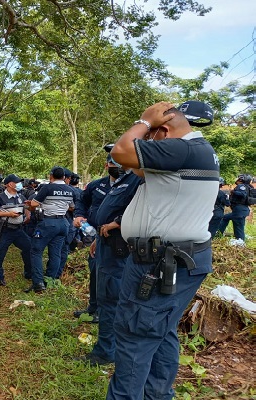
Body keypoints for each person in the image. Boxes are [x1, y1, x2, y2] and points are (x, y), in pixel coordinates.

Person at [106, 100, 218, 399]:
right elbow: (134, 166)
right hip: (176, 259)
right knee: (161, 331)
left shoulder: (182, 148)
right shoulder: (195, 152)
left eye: (150, 135)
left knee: (135, 336)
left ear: (164, 131)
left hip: (158, 262)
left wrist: (143, 120)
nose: (146, 141)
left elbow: (121, 152)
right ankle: (157, 395)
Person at [75, 166, 142, 366]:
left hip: (120, 249)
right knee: (106, 297)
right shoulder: (112, 182)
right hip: (107, 243)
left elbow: (145, 209)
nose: (114, 161)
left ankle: (106, 351)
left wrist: (117, 223)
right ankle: (108, 346)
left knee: (112, 299)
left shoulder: (139, 178)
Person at [72, 148, 120, 322]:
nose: (118, 167)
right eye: (114, 163)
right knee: (95, 272)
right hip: (96, 237)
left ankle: (104, 311)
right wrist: (78, 215)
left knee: (109, 278)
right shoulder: (97, 185)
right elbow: (82, 201)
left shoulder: (128, 186)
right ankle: (93, 307)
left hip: (118, 239)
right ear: (107, 165)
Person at [25, 166, 74, 293]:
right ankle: (50, 281)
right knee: (56, 253)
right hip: (63, 223)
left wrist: (42, 204)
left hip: (48, 222)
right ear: (64, 177)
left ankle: (38, 283)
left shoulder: (48, 187)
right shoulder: (70, 189)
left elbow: (34, 204)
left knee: (36, 251)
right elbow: (72, 207)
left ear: (51, 176)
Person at [0, 174, 32, 286]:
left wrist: (28, 213)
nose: (19, 184)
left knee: (29, 248)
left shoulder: (21, 197)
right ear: (10, 184)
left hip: (18, 230)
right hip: (5, 230)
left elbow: (27, 209)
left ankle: (29, 273)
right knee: (0, 252)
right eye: (17, 182)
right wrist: (8, 214)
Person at [218, 174, 252, 241]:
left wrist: (233, 191)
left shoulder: (241, 186)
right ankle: (219, 233)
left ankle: (240, 241)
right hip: (240, 210)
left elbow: (243, 194)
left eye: (239, 179)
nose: (237, 180)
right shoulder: (248, 187)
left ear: (241, 180)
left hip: (239, 210)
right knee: (226, 217)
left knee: (238, 227)